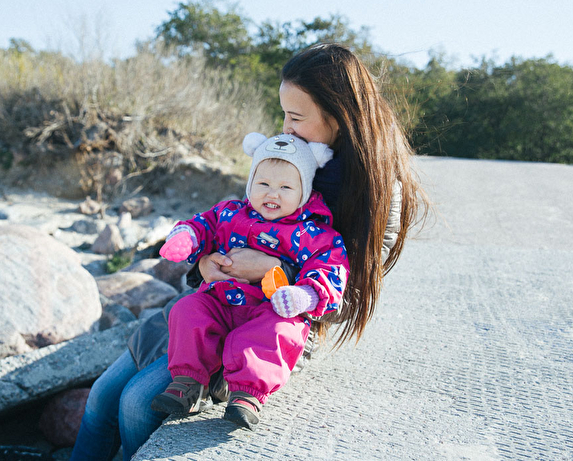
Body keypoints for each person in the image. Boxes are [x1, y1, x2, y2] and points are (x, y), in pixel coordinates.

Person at [70, 43, 426, 460]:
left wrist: (276, 271)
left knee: (136, 403)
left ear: (339, 115)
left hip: (269, 324)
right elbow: (236, 220)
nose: (286, 127)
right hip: (215, 300)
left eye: (296, 117)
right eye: (284, 114)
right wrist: (205, 263)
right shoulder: (292, 151)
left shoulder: (376, 190)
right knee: (101, 397)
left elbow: (347, 296)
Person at [150, 132, 348, 430]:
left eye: (286, 187)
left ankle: (247, 393)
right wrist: (188, 237)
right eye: (263, 184)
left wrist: (305, 294)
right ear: (250, 183)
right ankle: (189, 383)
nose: (273, 194)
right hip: (221, 302)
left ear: (305, 191)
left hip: (270, 308)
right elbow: (205, 224)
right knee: (187, 310)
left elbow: (330, 268)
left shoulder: (314, 234)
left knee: (280, 330)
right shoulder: (231, 213)